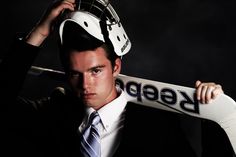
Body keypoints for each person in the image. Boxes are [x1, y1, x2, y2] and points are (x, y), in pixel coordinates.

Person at [0, 0, 228, 157]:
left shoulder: (156, 123)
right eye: (74, 74)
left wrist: (211, 114)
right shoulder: (54, 113)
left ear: (116, 66)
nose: (85, 85)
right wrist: (39, 33)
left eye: (95, 71)